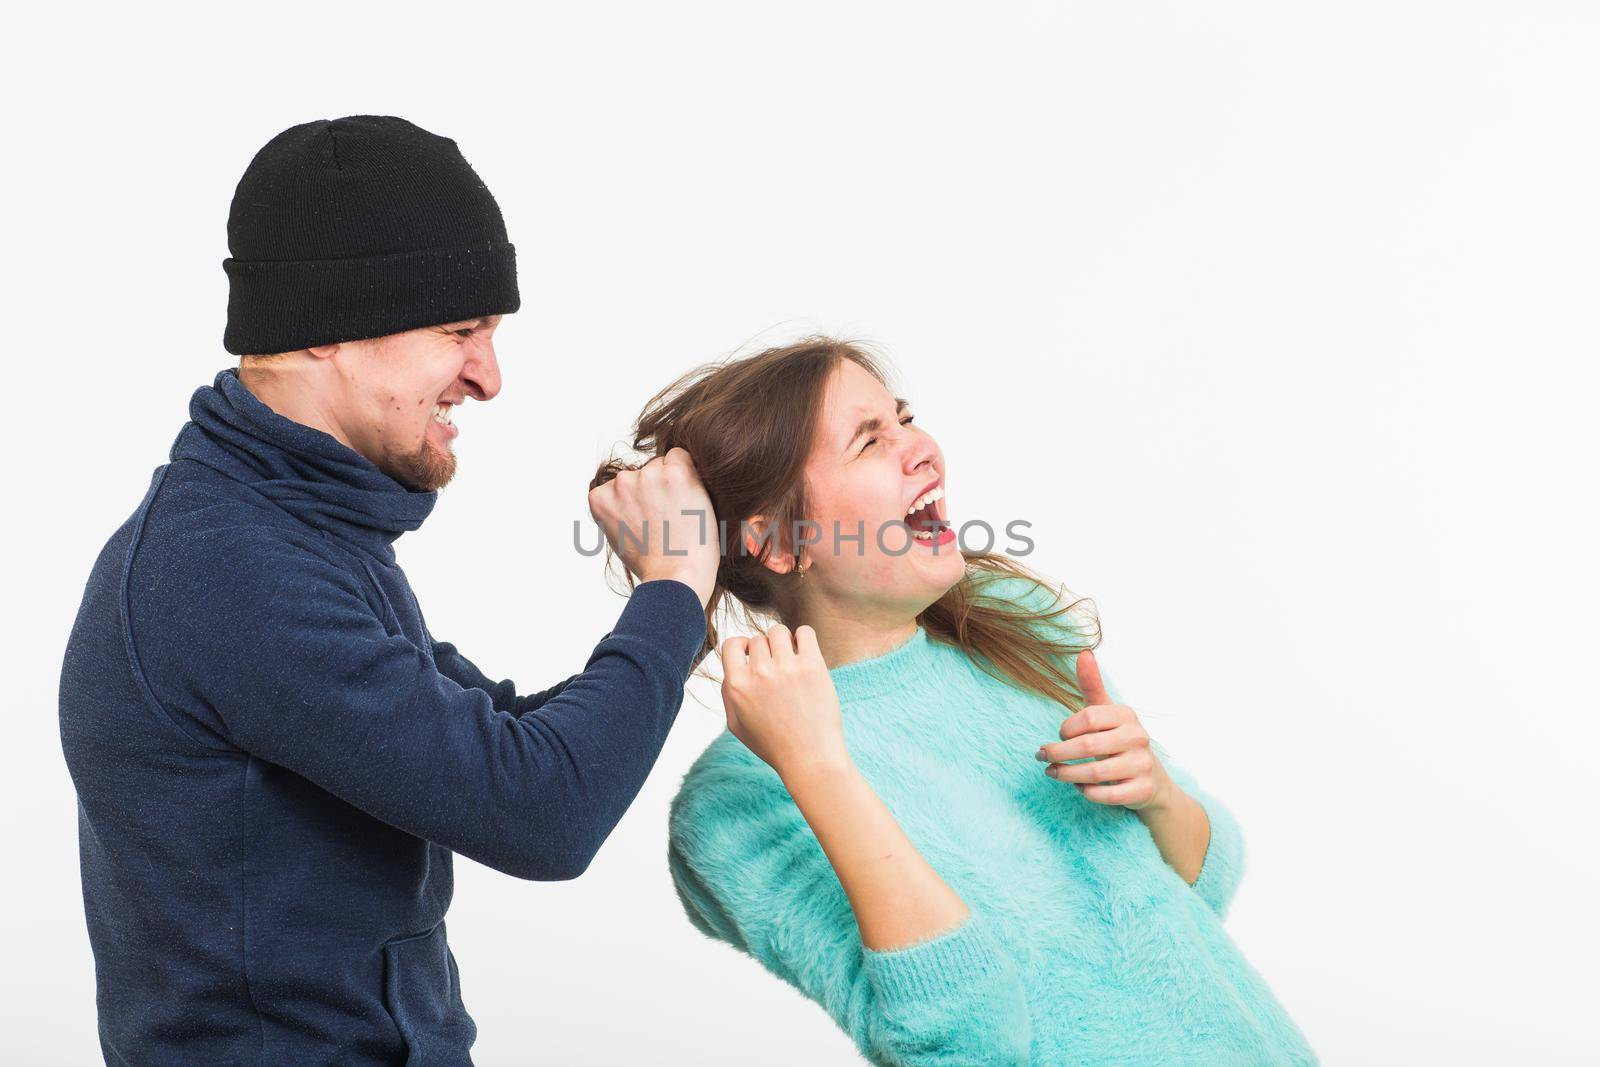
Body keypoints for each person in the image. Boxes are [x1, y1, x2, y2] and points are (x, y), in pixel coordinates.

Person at [57, 115, 718, 1065]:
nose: (489, 377)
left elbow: (511, 742)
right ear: (327, 327)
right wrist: (671, 586)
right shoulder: (227, 571)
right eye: (461, 330)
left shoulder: (293, 532)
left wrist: (699, 584)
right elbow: (543, 811)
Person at [597, 337, 1319, 1064]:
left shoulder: (1010, 616)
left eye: (904, 418)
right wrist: (819, 768)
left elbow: (1206, 889)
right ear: (780, 542)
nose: (921, 449)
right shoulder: (737, 802)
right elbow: (967, 1042)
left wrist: (1157, 793)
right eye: (869, 440)